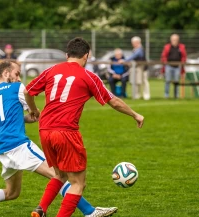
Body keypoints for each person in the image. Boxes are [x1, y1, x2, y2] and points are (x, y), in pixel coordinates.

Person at [0, 60, 118, 217]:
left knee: (12, 193)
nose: (18, 77)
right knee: (59, 175)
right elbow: (30, 100)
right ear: (6, 73)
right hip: (19, 145)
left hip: (3, 150)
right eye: (16, 73)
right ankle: (89, 211)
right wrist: (34, 112)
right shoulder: (16, 88)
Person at [24, 37, 144, 217]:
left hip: (45, 130)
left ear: (67, 55)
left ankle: (40, 210)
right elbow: (114, 101)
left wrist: (33, 110)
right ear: (86, 56)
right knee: (78, 183)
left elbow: (28, 91)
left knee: (59, 175)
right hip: (65, 132)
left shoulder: (51, 70)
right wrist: (135, 114)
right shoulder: (89, 76)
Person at [161, 34, 187, 98]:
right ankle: (166, 95)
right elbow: (163, 56)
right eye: (172, 40)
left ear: (178, 40)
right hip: (168, 66)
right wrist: (165, 62)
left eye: (175, 40)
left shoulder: (181, 47)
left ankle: (176, 96)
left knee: (176, 82)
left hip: (178, 67)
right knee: (167, 81)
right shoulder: (167, 47)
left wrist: (182, 63)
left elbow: (184, 56)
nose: (173, 41)